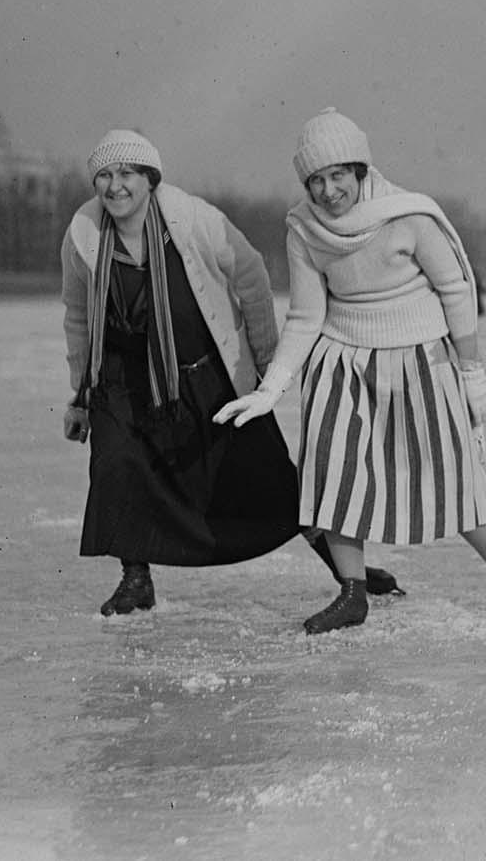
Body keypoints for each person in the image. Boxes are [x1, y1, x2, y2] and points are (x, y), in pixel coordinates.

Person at [214, 109, 486, 633]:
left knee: (448, 474)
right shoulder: (303, 228)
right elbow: (305, 315)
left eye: (337, 176)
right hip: (342, 359)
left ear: (360, 169)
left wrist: (471, 370)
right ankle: (353, 593)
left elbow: (457, 293)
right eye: (316, 181)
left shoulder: (409, 215)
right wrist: (271, 386)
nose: (327, 191)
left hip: (418, 357)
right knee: (336, 477)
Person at [61, 130, 399, 617]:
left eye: (128, 174)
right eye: (105, 176)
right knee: (117, 469)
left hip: (205, 376)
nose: (116, 187)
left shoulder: (192, 218)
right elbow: (77, 314)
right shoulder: (82, 236)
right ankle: (135, 579)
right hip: (121, 382)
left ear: (150, 179)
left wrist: (264, 361)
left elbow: (252, 275)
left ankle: (348, 574)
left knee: (269, 478)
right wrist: (79, 394)